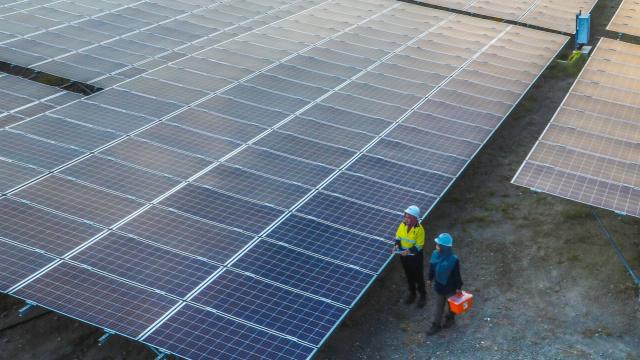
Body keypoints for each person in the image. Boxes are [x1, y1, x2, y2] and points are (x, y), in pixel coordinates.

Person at [427, 233, 463, 335]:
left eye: (438, 245)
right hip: (439, 287)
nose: (436, 246)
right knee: (438, 307)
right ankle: (436, 325)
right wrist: (429, 279)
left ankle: (450, 318)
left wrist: (459, 287)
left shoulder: (453, 260)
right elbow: (432, 268)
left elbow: (457, 275)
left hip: (450, 289)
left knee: (452, 306)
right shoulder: (435, 254)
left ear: (444, 247)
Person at [392, 205, 426, 307]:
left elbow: (419, 246)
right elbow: (398, 236)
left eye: (408, 217)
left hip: (415, 257)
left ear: (415, 218)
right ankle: (412, 293)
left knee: (418, 276)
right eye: (405, 216)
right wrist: (396, 245)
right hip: (404, 255)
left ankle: (423, 296)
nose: (405, 219)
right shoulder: (402, 225)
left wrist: (409, 251)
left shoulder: (420, 230)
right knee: (409, 275)